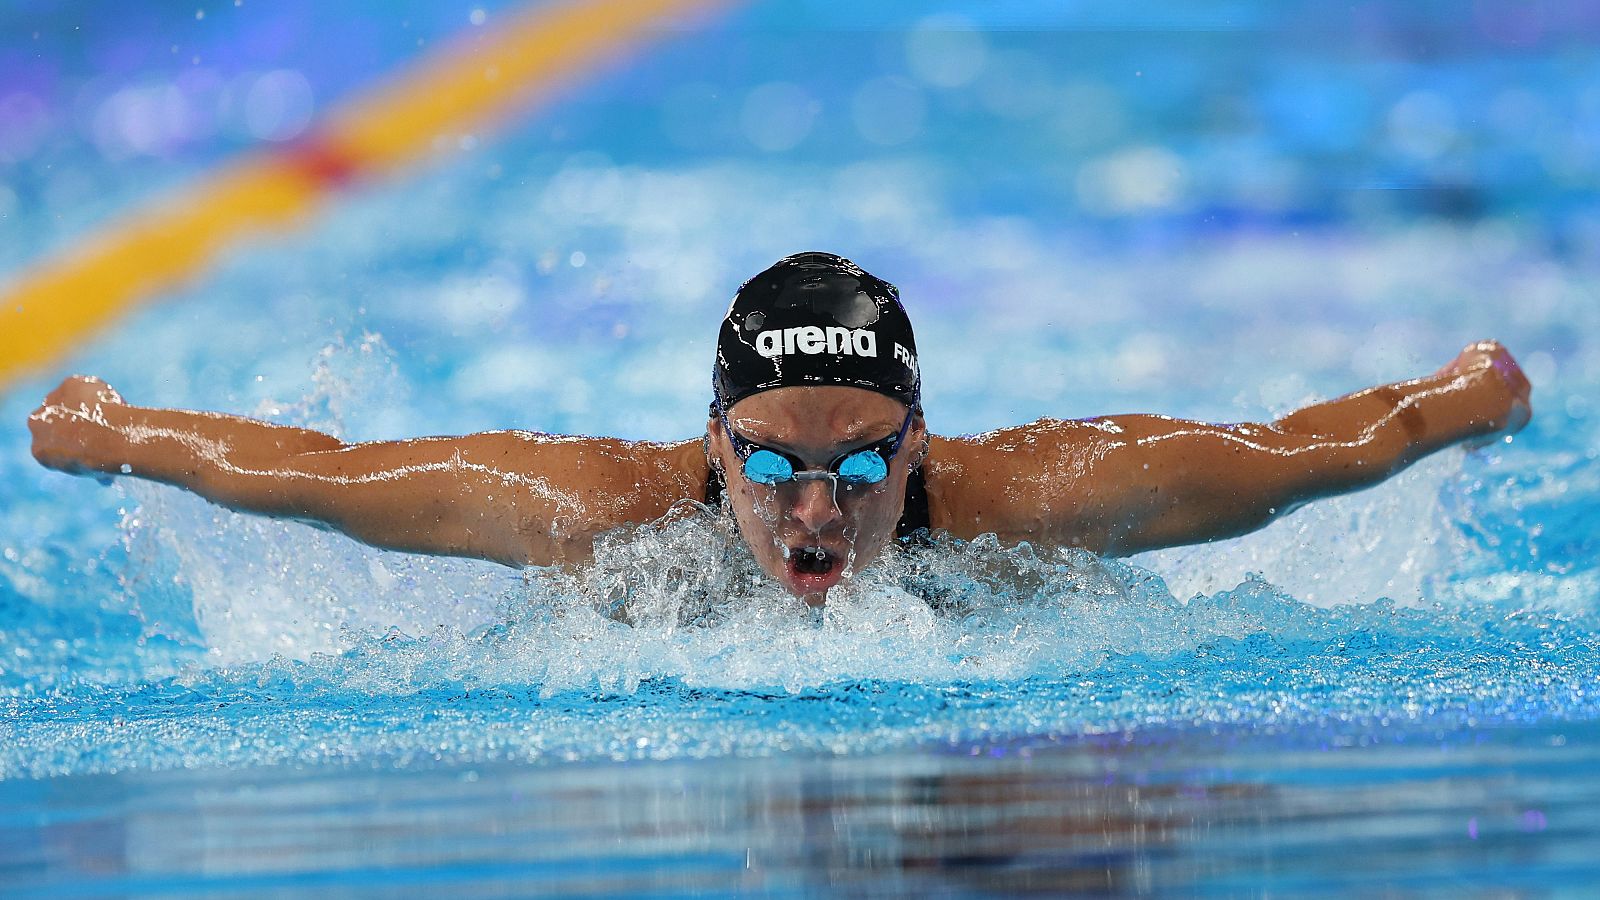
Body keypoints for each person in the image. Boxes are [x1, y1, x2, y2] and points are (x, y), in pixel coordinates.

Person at [29, 252, 1532, 606]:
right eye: (773, 466)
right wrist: (117, 429)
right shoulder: (595, 514)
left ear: (921, 445)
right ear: (713, 442)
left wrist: (1467, 400)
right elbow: (326, 475)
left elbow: (1311, 452)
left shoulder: (1037, 501)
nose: (820, 513)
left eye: (866, 463)